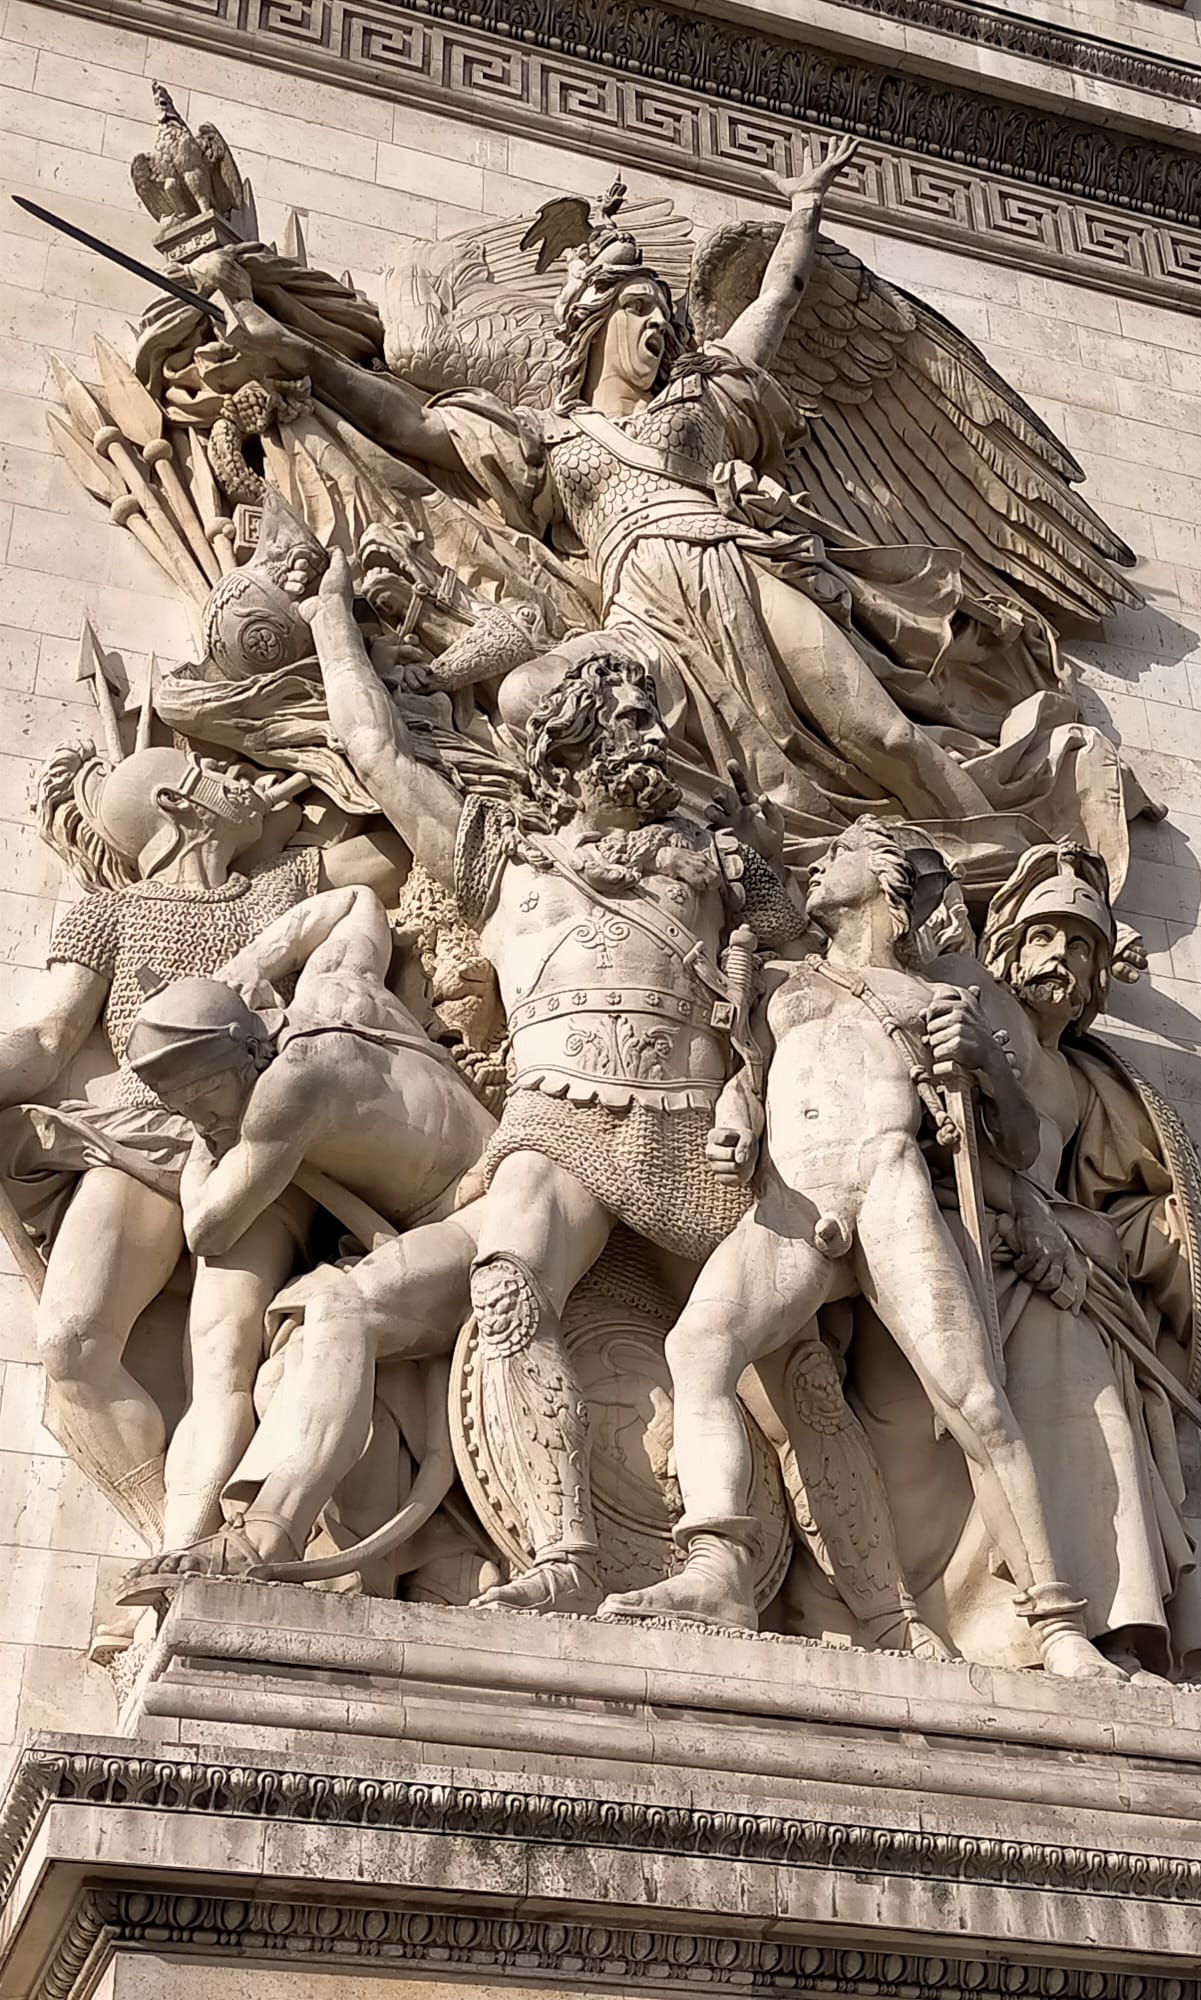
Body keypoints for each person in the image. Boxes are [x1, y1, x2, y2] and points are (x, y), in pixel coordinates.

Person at [172, 548, 802, 1611]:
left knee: (801, 1377)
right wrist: (331, 612)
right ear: (569, 753)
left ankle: (799, 1584)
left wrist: (763, 1067)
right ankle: (541, 1553)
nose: (653, 742)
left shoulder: (717, 865)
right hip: (562, 1127)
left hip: (707, 1138)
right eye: (627, 727)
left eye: (652, 722)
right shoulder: (502, 863)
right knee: (449, 1292)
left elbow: (795, 973)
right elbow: (375, 748)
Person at [212, 137, 996, 832]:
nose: (658, 324)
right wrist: (294, 350)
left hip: (728, 566)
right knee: (529, 695)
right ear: (594, 324)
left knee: (881, 735)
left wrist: (803, 210)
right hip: (636, 612)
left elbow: (776, 301)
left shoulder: (706, 397)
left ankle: (1002, 853)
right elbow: (408, 426)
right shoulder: (544, 436)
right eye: (639, 308)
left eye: (664, 313)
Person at [598, 818, 1124, 1682]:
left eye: (834, 855)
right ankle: (720, 1568)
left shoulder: (930, 1002)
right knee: (699, 1348)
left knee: (976, 1404)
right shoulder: (778, 984)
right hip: (792, 1204)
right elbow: (748, 1082)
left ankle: (1058, 1625)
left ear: (879, 880)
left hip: (887, 1193)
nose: (815, 867)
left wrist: (988, 1068)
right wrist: (736, 1125)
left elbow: (1015, 1148)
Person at [0, 745, 400, 1554]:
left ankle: (197, 1547)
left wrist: (338, 750)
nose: (243, 781)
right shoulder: (109, 914)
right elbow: (47, 1040)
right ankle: (165, 1536)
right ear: (182, 805)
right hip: (140, 1137)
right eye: (220, 776)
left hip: (254, 1139)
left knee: (223, 1360)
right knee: (71, 1344)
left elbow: (396, 851)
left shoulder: (286, 885)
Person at [113, 881, 497, 1594]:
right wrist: (256, 962)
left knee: (338, 1310)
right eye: (182, 1111)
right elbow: (356, 903)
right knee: (300, 1340)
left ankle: (265, 1535)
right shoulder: (331, 993)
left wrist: (207, 1154)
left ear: (243, 1055)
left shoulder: (288, 1091)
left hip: (486, 1215)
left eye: (201, 1101)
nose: (199, 1122)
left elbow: (207, 1226)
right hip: (441, 1206)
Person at [919, 844, 1201, 1679]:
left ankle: (1115, 1620)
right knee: (1056, 1387)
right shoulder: (978, 1000)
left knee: (1099, 1406)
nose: (1062, 957)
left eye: (1082, 945)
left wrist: (1109, 1243)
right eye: (1045, 935)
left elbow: (1111, 1196)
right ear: (1008, 941)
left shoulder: (1087, 1084)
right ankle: (1029, 1616)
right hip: (976, 1240)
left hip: (1059, 1269)